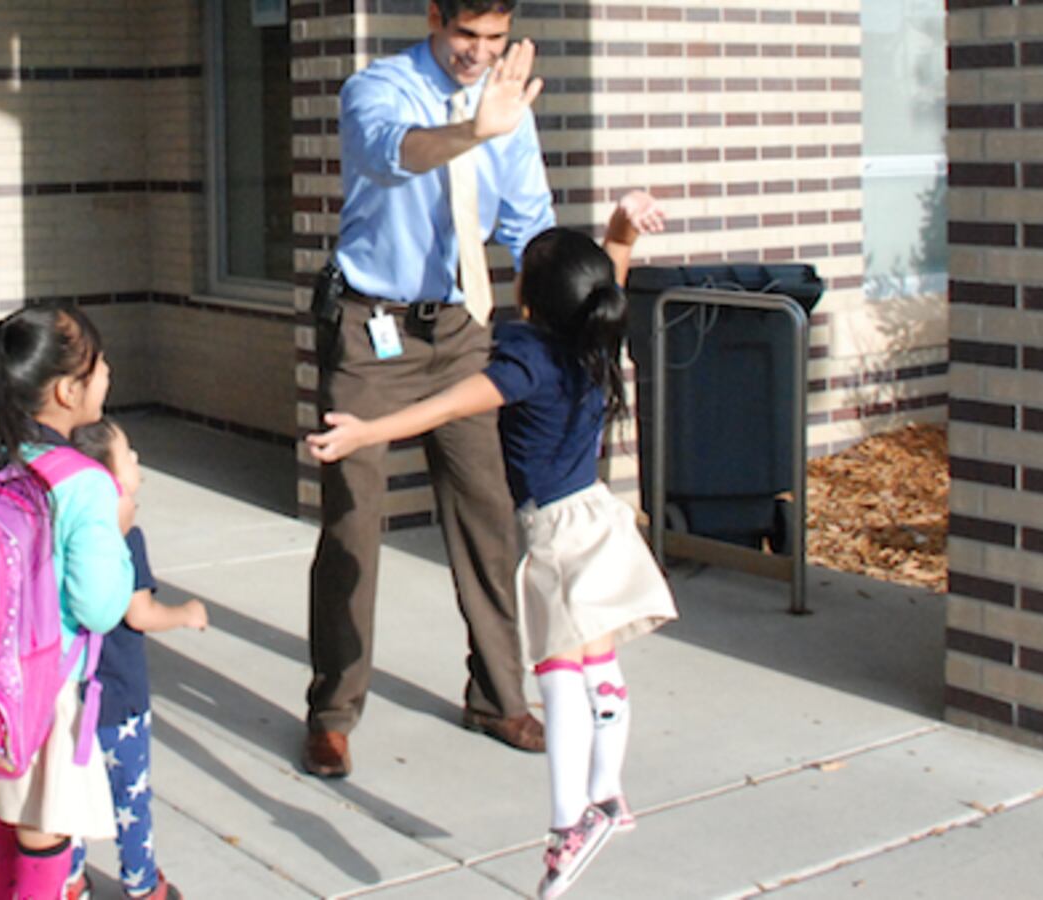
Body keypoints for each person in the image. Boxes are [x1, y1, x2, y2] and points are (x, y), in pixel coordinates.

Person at [308, 193, 677, 900]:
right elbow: (612, 278)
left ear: (525, 300)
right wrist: (621, 234)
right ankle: (611, 796)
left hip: (560, 539)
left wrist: (363, 432)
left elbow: (445, 406)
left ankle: (573, 821)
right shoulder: (595, 336)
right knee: (597, 661)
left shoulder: (526, 363)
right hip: (600, 521)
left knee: (560, 676)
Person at [303, 0, 555, 777]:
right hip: (369, 330)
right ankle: (333, 710)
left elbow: (527, 221)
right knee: (352, 521)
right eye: (464, 35)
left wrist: (571, 306)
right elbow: (393, 156)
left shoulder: (507, 102)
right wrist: (476, 129)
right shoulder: (377, 88)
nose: (478, 54)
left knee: (488, 515)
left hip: (459, 328)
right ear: (434, 17)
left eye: (494, 38)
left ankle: (499, 695)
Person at [0, 302, 135, 899]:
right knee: (44, 839)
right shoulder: (83, 482)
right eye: (98, 366)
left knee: (7, 820)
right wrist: (120, 527)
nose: (107, 375)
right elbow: (100, 608)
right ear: (67, 392)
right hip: (42, 699)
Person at [63, 418, 208, 900]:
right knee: (131, 798)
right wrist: (184, 613)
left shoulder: (63, 536)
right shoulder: (124, 542)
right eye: (128, 454)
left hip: (68, 701)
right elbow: (140, 614)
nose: (137, 460)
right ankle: (142, 884)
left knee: (70, 800)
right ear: (107, 480)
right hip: (121, 700)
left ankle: (69, 880)